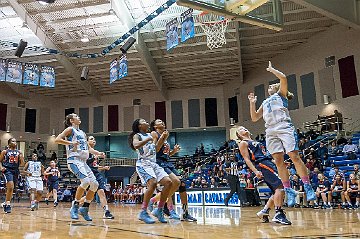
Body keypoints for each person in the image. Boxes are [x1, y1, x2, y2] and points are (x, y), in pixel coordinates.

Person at [248, 61, 316, 207]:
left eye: (273, 85)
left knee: (294, 156)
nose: (270, 86)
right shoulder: (265, 102)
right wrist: (252, 103)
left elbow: (283, 78)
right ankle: (288, 189)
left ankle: (307, 186)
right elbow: (254, 118)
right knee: (278, 161)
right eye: (270, 85)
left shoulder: (281, 95)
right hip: (270, 130)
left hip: (284, 126)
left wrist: (272, 70)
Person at [237, 126, 291, 225]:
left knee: (277, 190)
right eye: (240, 129)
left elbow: (266, 156)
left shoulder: (255, 141)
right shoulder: (243, 143)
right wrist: (255, 171)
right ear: (239, 135)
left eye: (244, 128)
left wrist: (278, 163)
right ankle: (278, 213)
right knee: (280, 186)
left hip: (268, 163)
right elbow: (247, 159)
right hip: (262, 165)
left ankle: (265, 211)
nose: (244, 128)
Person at [55, 113, 102, 221]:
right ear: (71, 120)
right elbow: (57, 139)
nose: (79, 117)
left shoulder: (82, 133)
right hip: (74, 160)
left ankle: (84, 208)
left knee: (94, 184)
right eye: (76, 116)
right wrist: (71, 142)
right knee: (85, 182)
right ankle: (75, 206)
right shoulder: (70, 130)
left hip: (83, 162)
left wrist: (98, 153)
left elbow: (88, 148)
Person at [149, 119, 197, 221]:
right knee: (174, 182)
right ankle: (157, 203)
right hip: (159, 163)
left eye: (162, 121)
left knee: (182, 184)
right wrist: (162, 137)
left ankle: (185, 213)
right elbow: (155, 150)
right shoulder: (154, 134)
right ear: (154, 126)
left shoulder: (165, 136)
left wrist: (173, 151)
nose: (162, 122)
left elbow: (165, 154)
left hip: (167, 162)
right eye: (159, 121)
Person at [128, 118, 173, 224]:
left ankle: (159, 209)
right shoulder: (137, 135)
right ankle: (143, 212)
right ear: (139, 126)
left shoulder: (150, 135)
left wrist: (162, 138)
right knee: (152, 183)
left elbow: (156, 149)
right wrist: (147, 140)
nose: (147, 122)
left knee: (168, 182)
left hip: (153, 163)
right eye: (144, 121)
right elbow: (136, 145)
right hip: (143, 163)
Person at [78, 136, 114, 219]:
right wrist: (95, 157)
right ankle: (76, 203)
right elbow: (85, 162)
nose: (93, 140)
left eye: (94, 139)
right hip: (89, 175)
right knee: (90, 195)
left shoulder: (95, 152)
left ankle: (106, 212)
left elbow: (95, 166)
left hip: (97, 174)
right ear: (87, 141)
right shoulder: (85, 151)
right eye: (91, 139)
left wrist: (103, 167)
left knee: (101, 192)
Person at [0, 138, 25, 213]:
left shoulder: (19, 152)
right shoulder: (5, 151)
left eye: (15, 141)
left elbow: (22, 164)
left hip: (16, 170)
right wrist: (1, 168)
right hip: (7, 170)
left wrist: (21, 157)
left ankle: (5, 202)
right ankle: (8, 204)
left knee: (12, 189)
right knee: (10, 186)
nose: (15, 142)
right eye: (13, 141)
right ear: (9, 143)